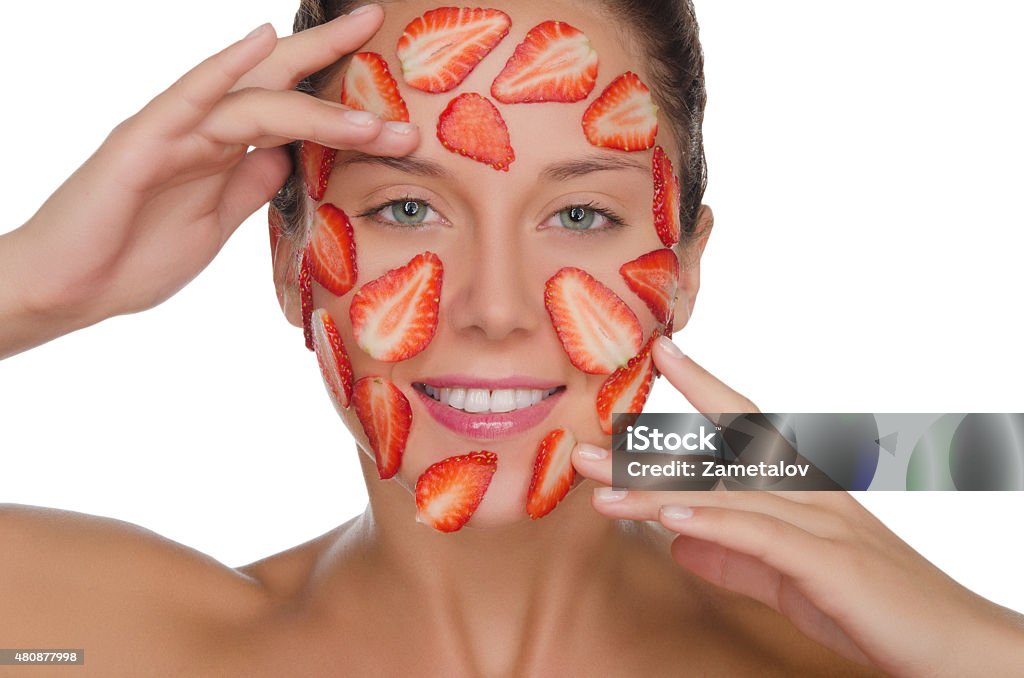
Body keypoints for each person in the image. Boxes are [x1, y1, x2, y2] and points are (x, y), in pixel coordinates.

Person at [1, 2, 1022, 676]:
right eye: (406, 208)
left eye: (579, 217)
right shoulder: (107, 640)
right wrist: (36, 285)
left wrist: (982, 647)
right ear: (289, 261)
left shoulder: (877, 659)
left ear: (685, 267)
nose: (494, 307)